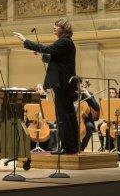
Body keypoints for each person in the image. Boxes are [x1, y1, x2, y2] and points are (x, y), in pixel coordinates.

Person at [14, 18, 78, 155]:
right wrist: (42, 54)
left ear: (64, 29)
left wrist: (26, 41)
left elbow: (48, 49)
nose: (54, 27)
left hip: (62, 83)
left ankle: (69, 147)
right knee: (66, 115)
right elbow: (53, 58)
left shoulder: (64, 41)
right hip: (63, 83)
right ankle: (71, 146)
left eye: (57, 26)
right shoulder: (65, 43)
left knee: (64, 116)